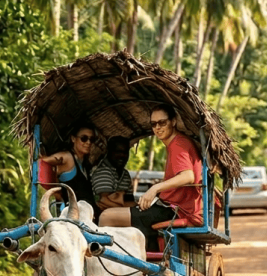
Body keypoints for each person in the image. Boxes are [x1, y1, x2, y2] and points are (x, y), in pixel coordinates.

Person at [99, 104, 202, 252]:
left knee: (107, 216)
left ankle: (106, 266)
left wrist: (155, 188)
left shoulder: (178, 144)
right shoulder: (177, 143)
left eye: (162, 123)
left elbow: (188, 176)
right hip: (171, 207)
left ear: (173, 121)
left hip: (176, 211)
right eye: (154, 124)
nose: (158, 127)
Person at [38, 123, 97, 215]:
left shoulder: (85, 162)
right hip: (72, 216)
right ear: (73, 139)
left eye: (91, 139)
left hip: (87, 214)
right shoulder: (67, 157)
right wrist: (56, 192)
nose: (88, 142)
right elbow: (42, 162)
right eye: (84, 138)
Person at [92, 136, 135, 211]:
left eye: (125, 152)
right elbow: (103, 201)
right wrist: (127, 210)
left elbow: (130, 201)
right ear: (109, 152)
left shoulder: (125, 174)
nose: (122, 156)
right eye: (118, 152)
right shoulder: (103, 171)